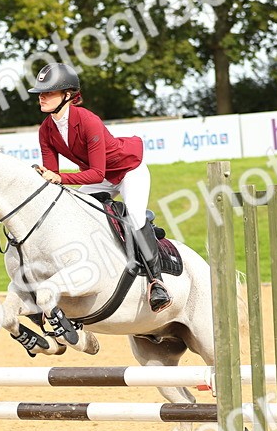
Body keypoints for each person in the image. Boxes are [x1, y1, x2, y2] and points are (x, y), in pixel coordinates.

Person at [29, 62, 171, 313]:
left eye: (48, 92)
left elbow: (95, 173)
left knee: (135, 216)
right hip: (100, 177)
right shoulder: (46, 130)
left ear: (68, 95)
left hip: (128, 171)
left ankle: (156, 282)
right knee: (71, 210)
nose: (42, 96)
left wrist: (59, 178)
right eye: (40, 92)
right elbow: (53, 177)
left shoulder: (88, 121)